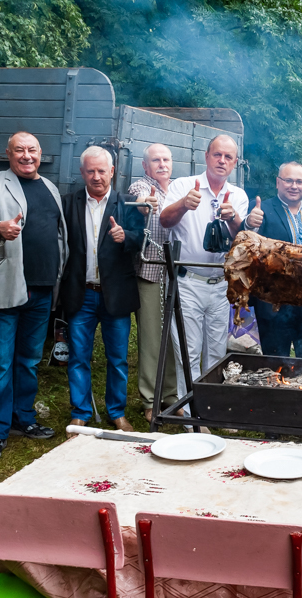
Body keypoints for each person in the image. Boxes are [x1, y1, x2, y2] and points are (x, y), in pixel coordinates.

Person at [0, 132, 68, 462]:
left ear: (41, 154)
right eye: (20, 150)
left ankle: (23, 419)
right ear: (8, 154)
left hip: (40, 291)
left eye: (33, 150)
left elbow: (59, 236)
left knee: (28, 360)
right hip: (5, 288)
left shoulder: (50, 188)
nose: (27, 156)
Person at [60, 146, 143, 432]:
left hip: (115, 295)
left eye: (102, 171)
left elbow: (142, 238)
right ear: (82, 173)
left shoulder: (128, 203)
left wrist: (126, 236)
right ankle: (81, 412)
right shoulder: (68, 203)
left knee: (118, 359)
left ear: (112, 172)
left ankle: (116, 412)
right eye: (90, 171)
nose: (97, 177)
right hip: (80, 293)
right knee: (78, 357)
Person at [160, 135, 248, 400]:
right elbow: (164, 220)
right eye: (217, 155)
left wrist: (233, 218)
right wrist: (184, 204)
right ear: (207, 156)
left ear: (235, 163)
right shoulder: (183, 186)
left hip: (221, 285)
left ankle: (209, 409)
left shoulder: (238, 195)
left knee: (216, 352)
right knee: (188, 351)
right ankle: (189, 416)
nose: (222, 161)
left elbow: (242, 240)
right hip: (188, 282)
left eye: (228, 157)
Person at [242, 161, 302, 357]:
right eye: (288, 180)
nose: (294, 186)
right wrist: (250, 224)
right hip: (273, 301)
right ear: (278, 182)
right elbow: (248, 241)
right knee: (275, 360)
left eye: (299, 181)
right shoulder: (261, 209)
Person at [127, 143, 178, 424]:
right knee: (151, 337)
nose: (161, 164)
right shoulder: (141, 186)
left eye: (166, 159)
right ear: (146, 166)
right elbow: (140, 202)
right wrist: (148, 205)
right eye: (155, 160)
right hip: (150, 270)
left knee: (173, 335)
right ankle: (150, 399)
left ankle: (171, 395)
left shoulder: (178, 188)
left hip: (176, 271)